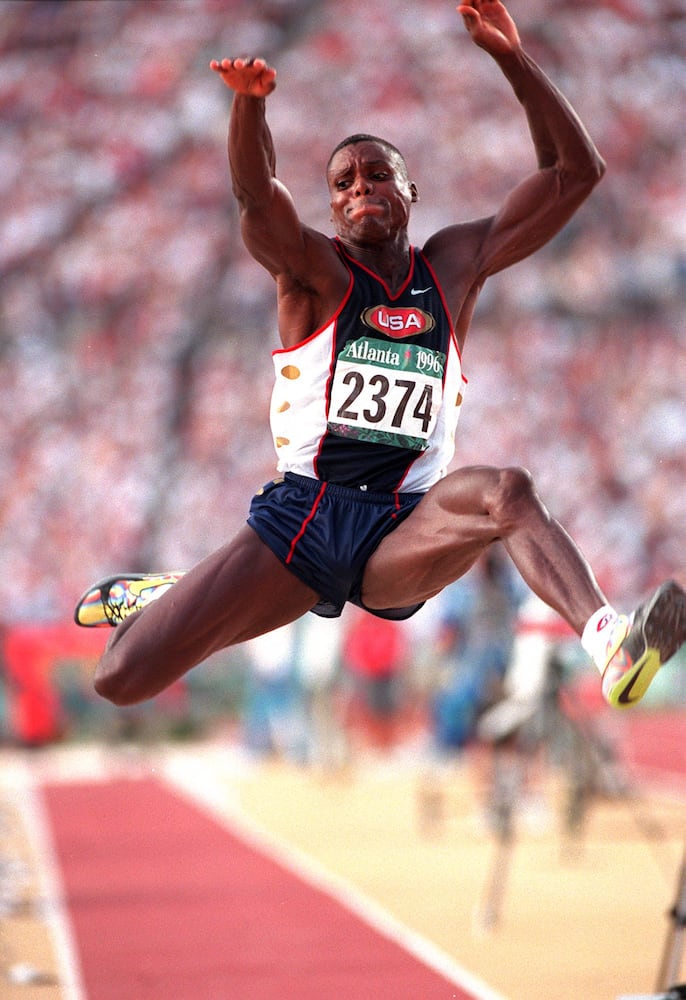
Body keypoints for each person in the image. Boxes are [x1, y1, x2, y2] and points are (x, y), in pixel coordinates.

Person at [75, 0, 685, 713]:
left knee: (508, 491)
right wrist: (249, 111)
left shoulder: (456, 265)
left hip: (406, 525)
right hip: (301, 523)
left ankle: (611, 641)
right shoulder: (315, 273)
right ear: (332, 210)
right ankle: (179, 592)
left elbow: (577, 171)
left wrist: (511, 58)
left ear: (409, 191)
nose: (361, 185)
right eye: (343, 183)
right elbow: (254, 197)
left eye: (376, 173)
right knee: (120, 679)